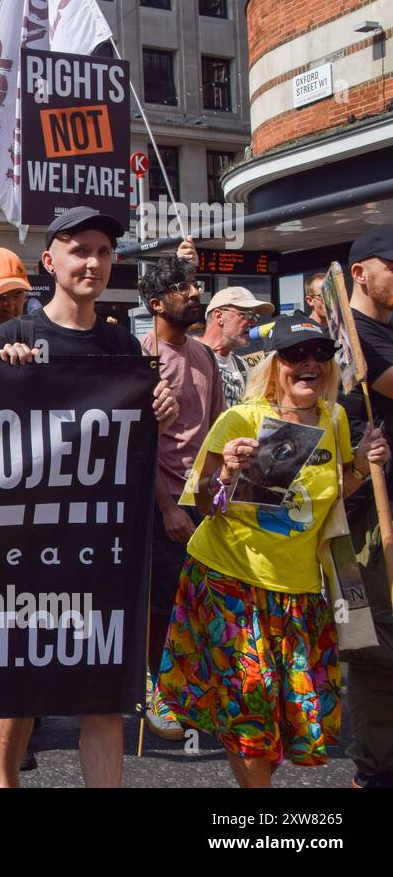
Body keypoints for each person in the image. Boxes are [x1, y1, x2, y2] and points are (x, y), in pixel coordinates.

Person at [0, 207, 179, 788]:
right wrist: (1, 378)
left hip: (103, 546)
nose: (92, 262)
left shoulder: (123, 348)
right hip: (29, 543)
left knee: (103, 689)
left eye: (101, 251)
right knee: (23, 680)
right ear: (51, 261)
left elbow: (139, 442)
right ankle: (6, 780)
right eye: (78, 250)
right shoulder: (15, 336)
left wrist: (160, 414)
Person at [159, 314, 388, 785]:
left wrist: (362, 467)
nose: (310, 364)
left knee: (291, 712)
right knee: (250, 703)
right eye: (295, 355)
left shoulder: (336, 418)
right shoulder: (242, 418)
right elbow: (201, 501)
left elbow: (327, 496)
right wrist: (225, 473)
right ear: (274, 365)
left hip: (299, 590)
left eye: (320, 354)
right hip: (229, 580)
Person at [137, 255, 225, 741]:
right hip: (161, 500)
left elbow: (215, 428)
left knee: (198, 600)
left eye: (194, 286)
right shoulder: (141, 356)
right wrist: (168, 506)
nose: (194, 294)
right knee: (162, 604)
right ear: (156, 303)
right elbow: (139, 442)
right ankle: (160, 690)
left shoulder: (205, 356)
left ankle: (191, 686)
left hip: (203, 500)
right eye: (182, 288)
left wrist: (218, 490)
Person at [341, 227, 393, 787]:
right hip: (363, 522)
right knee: (376, 645)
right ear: (361, 273)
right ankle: (375, 769)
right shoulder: (356, 334)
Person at [198, 287, 274, 408]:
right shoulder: (192, 359)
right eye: (247, 314)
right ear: (219, 316)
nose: (253, 322)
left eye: (255, 317)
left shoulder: (242, 366)